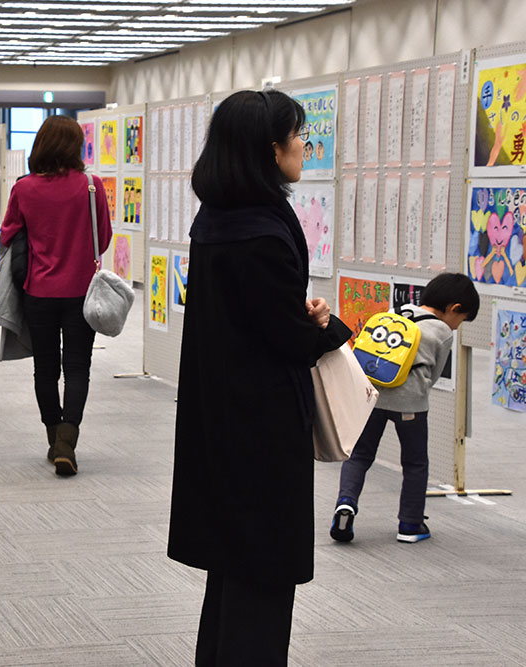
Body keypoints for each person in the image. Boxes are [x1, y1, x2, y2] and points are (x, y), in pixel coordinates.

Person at [167, 90, 353, 666]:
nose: (305, 145)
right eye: (299, 136)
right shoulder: (264, 232)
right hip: (262, 426)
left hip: (219, 415)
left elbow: (246, 316)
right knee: (264, 576)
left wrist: (293, 315)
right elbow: (288, 341)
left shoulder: (217, 217)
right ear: (270, 150)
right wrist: (324, 328)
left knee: (231, 571)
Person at [0, 115, 112, 477]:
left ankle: (54, 439)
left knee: (45, 369)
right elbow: (104, 238)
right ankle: (68, 439)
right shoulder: (92, 186)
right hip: (82, 291)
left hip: (39, 290)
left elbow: (7, 234)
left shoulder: (24, 188)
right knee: (78, 367)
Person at [331, 273, 479, 544]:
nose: (457, 327)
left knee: (360, 455)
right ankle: (410, 524)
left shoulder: (394, 312)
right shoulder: (442, 331)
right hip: (410, 404)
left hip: (373, 395)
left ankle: (346, 504)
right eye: (461, 320)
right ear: (454, 308)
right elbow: (433, 375)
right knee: (414, 463)